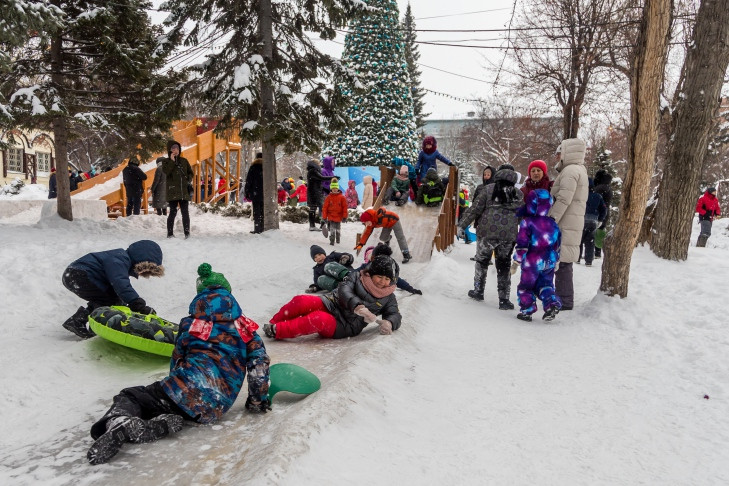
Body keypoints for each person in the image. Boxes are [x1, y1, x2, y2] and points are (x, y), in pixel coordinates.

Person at [86, 263, 270, 465]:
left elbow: (177, 359)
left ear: (199, 298)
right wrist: (257, 401)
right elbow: (258, 365)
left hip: (183, 391)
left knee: (133, 396)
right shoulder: (245, 327)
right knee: (168, 404)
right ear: (230, 296)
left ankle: (119, 422)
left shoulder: (190, 324)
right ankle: (159, 423)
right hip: (216, 406)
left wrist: (175, 384)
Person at [264, 253, 401, 340]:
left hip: (345, 325)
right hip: (332, 302)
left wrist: (389, 322)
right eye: (380, 277)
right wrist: (357, 306)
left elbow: (394, 314)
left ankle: (277, 331)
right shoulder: (357, 277)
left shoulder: (388, 297)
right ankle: (273, 323)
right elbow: (344, 289)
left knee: (317, 319)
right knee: (301, 300)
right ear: (371, 273)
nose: (383, 282)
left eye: (387, 279)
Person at [61, 240, 164, 339]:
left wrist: (129, 306)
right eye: (146, 269)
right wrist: (136, 302)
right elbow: (120, 284)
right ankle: (87, 324)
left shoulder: (121, 259)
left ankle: (78, 320)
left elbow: (119, 288)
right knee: (109, 300)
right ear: (141, 260)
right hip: (80, 274)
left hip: (75, 274)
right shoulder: (119, 259)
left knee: (108, 299)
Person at [458, 164, 523, 309]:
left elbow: (475, 209)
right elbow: (521, 216)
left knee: (482, 261)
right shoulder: (518, 194)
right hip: (508, 235)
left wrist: (462, 225)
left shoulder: (488, 189)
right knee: (504, 265)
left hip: (487, 232)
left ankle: (478, 290)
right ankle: (504, 299)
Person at [549, 139, 589, 311]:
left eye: (559, 153)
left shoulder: (570, 171)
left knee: (563, 262)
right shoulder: (578, 170)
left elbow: (564, 198)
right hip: (570, 221)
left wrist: (551, 219)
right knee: (564, 262)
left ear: (566, 153)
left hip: (565, 223)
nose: (556, 157)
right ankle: (563, 298)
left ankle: (564, 301)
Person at [513, 189, 562, 322]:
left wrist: (516, 262)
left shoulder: (527, 222)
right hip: (549, 260)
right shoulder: (553, 223)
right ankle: (551, 304)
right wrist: (556, 260)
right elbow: (557, 244)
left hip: (532, 262)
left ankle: (527, 310)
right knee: (545, 285)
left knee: (526, 286)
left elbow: (522, 244)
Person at [357, 244, 422, 295]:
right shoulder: (366, 268)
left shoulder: (388, 269)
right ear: (372, 258)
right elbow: (353, 274)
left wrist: (410, 289)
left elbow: (397, 280)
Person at [162, 140, 194, 239]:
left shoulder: (184, 161)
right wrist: (172, 161)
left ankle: (187, 233)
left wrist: (188, 179)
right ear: (170, 150)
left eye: (177, 148)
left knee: (185, 213)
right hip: (173, 191)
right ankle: (170, 233)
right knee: (173, 212)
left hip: (184, 191)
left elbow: (190, 173)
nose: (176, 150)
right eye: (173, 148)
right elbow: (166, 172)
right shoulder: (166, 161)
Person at [578, 178, 607, 266]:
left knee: (579, 240)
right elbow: (604, 209)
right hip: (593, 221)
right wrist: (601, 219)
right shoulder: (598, 196)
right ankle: (588, 261)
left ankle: (577, 258)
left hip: (581, 219)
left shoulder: (580, 195)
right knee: (590, 241)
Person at [306, 158, 334, 231]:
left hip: (315, 192)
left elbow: (319, 182)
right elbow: (321, 178)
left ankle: (316, 225)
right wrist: (332, 178)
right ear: (315, 164)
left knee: (314, 208)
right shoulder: (313, 171)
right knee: (314, 208)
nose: (319, 165)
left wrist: (325, 189)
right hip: (314, 193)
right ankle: (315, 225)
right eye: (318, 163)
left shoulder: (313, 171)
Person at [592, 169, 613, 258]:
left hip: (599, 212)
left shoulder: (600, 187)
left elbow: (596, 200)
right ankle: (598, 251)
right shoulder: (608, 187)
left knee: (596, 230)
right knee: (601, 230)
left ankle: (596, 252)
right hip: (605, 211)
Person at [321, 178, 348, 245]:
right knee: (332, 229)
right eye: (333, 188)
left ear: (338, 188)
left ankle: (338, 239)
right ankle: (332, 240)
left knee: (338, 229)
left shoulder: (342, 197)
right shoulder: (328, 198)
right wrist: (324, 217)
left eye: (336, 188)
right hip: (331, 216)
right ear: (331, 189)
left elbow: (345, 207)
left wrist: (344, 216)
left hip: (338, 216)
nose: (335, 189)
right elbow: (325, 208)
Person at [244, 152, 264, 234]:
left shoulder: (253, 167)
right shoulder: (266, 167)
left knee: (256, 211)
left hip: (255, 192)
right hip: (264, 192)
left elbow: (249, 181)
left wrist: (247, 192)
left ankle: (257, 228)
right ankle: (263, 227)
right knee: (263, 210)